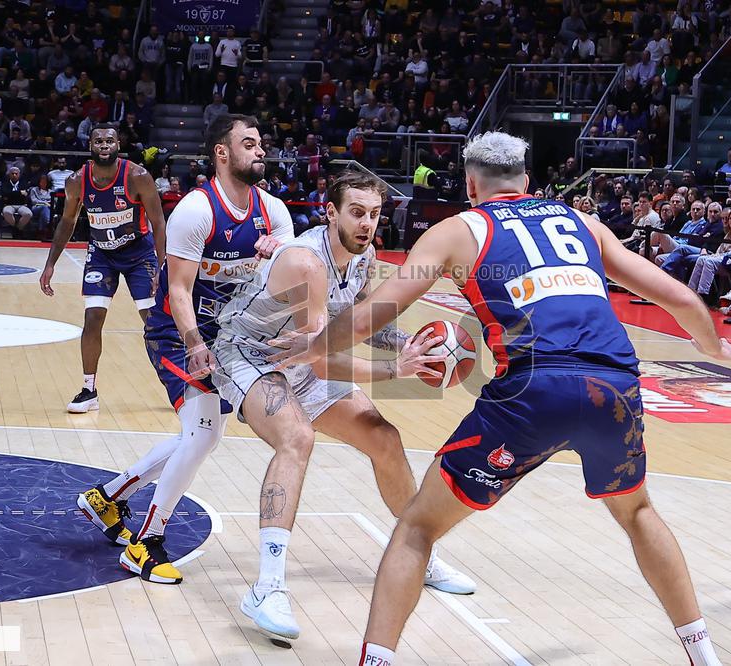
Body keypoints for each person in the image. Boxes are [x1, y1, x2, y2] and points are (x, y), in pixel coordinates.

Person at [270, 131, 731, 666]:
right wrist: (712, 343)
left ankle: (374, 660)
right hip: (615, 385)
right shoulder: (582, 222)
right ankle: (705, 657)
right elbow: (680, 296)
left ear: (471, 184)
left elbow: (379, 309)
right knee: (636, 512)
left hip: (533, 390)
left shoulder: (458, 229)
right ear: (526, 178)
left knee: (418, 526)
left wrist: (316, 344)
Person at [210, 169, 476, 640]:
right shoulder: (306, 262)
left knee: (385, 439)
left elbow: (360, 322)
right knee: (297, 437)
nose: (367, 223)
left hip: (301, 357)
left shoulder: (364, 254)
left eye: (374, 214)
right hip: (250, 355)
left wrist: (409, 343)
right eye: (356, 212)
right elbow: (322, 362)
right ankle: (267, 586)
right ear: (330, 212)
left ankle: (422, 554)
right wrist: (400, 370)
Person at [76, 114, 293, 583]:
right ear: (222, 152)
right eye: (249, 143)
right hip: (179, 331)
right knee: (202, 435)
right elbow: (176, 291)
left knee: (199, 435)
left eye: (262, 143)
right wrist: (194, 343)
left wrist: (279, 256)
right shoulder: (196, 210)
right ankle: (146, 543)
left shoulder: (274, 212)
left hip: (230, 335)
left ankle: (108, 498)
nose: (261, 151)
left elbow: (291, 281)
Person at [39, 124, 167, 412]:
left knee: (153, 322)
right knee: (93, 318)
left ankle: (178, 382)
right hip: (101, 254)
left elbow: (159, 222)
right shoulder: (76, 181)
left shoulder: (138, 176)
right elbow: (68, 222)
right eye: (99, 141)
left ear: (118, 145)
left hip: (138, 253)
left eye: (109, 140)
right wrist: (50, 264)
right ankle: (88, 390)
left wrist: (162, 266)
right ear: (91, 146)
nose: (104, 145)